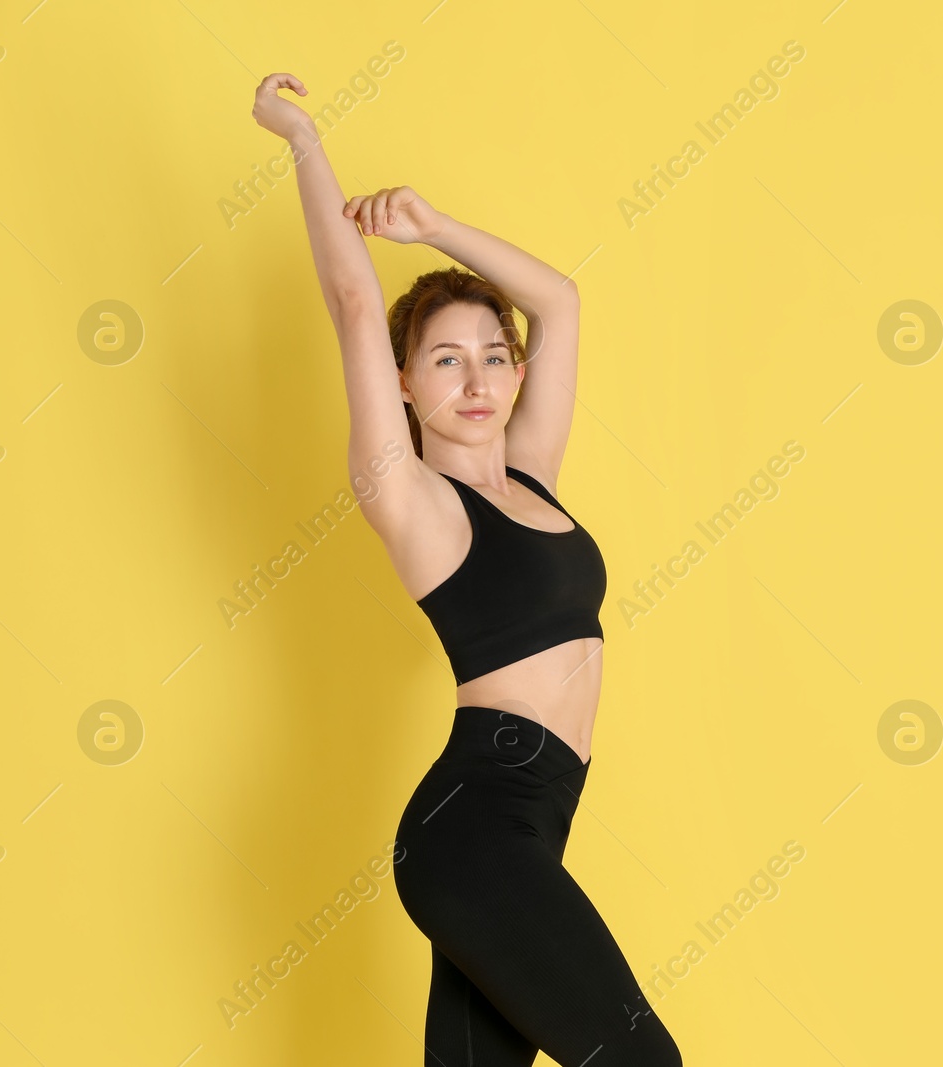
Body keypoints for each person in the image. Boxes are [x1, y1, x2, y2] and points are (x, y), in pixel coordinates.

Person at [251, 72, 682, 1066]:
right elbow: (357, 303)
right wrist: (303, 141)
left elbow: (560, 302)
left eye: (494, 354)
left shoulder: (532, 477)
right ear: (404, 384)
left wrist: (435, 225)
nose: (478, 378)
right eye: (445, 360)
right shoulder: (412, 499)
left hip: (533, 821)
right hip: (477, 825)